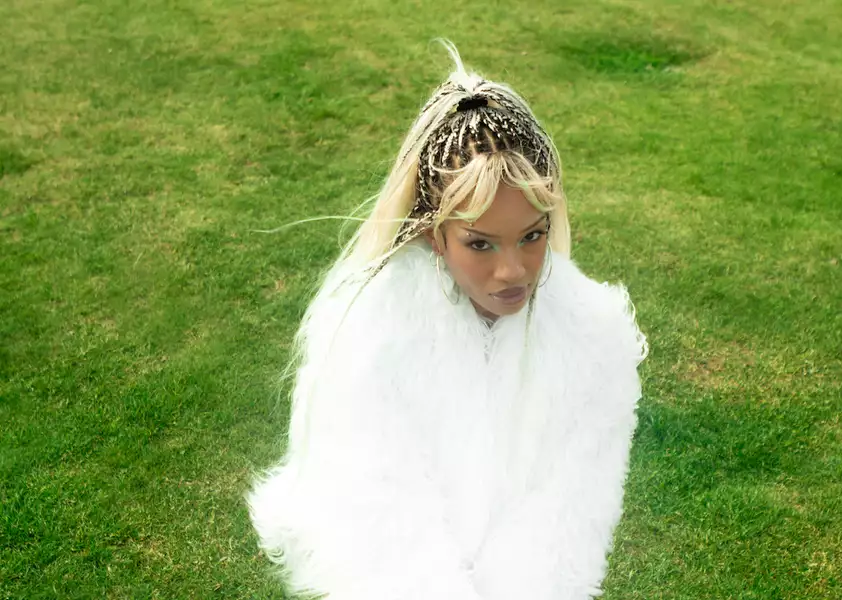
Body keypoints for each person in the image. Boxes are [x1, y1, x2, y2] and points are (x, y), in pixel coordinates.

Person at [247, 41, 648, 600]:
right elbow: (375, 511)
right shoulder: (370, 332)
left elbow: (570, 512)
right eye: (480, 244)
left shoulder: (595, 338)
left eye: (533, 236)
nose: (513, 272)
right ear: (436, 235)